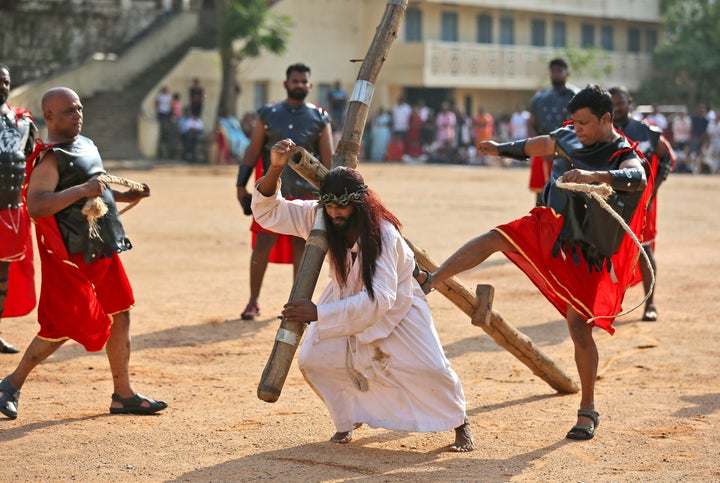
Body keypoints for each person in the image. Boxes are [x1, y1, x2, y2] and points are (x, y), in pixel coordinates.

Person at [424, 85, 652, 441]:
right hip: (551, 225)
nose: (577, 129)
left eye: (584, 123)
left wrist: (597, 177)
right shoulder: (568, 135)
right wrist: (500, 149)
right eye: (574, 122)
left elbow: (637, 177)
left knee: (579, 329)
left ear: (606, 119)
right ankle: (433, 279)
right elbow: (539, 144)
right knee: (495, 237)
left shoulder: (621, 153)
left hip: (588, 249)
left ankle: (588, 410)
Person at [251, 138, 475, 452]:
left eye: (341, 205)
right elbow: (270, 213)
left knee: (430, 368)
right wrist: (275, 169)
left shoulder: (383, 234)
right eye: (328, 205)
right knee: (314, 359)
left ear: (359, 203)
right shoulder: (322, 216)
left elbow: (379, 300)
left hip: (398, 304)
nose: (334, 212)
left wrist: (318, 314)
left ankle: (460, 422)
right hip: (344, 300)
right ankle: (349, 417)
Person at [0, 87, 167, 420]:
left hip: (102, 246)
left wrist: (124, 195)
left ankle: (123, 395)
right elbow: (37, 204)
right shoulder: (50, 157)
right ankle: (10, 384)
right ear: (49, 116)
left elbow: (94, 191)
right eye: (69, 111)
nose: (78, 115)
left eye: (78, 109)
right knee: (62, 326)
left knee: (120, 313)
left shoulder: (86, 144)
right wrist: (82, 189)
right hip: (73, 256)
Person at [235, 63, 333, 320]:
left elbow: (328, 159)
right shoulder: (267, 114)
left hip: (306, 193)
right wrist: (240, 184)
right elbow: (252, 150)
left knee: (303, 245)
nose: (299, 85)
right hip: (272, 190)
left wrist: (330, 191)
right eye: (295, 80)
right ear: (286, 83)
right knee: (262, 244)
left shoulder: (321, 118)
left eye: (304, 81)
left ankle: (296, 303)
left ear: (309, 86)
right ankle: (253, 301)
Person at [609, 87, 675, 322]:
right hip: (611, 202)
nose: (616, 108)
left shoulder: (647, 131)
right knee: (607, 252)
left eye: (620, 103)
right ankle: (610, 303)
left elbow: (667, 156)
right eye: (612, 103)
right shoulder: (603, 132)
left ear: (630, 102)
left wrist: (653, 188)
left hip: (642, 204)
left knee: (644, 250)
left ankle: (650, 304)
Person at [0, 64, 38, 354]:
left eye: (5, 81)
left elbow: (30, 165)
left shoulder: (23, 122)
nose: (2, 86)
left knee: (3, 276)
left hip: (11, 211)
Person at [528, 58, 579, 205]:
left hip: (567, 153)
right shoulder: (539, 98)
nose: (556, 74)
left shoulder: (576, 96)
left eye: (559, 71)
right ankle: (539, 224)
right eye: (553, 71)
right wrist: (538, 147)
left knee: (566, 194)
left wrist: (561, 149)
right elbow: (531, 124)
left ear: (567, 73)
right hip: (541, 150)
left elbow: (582, 126)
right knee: (540, 195)